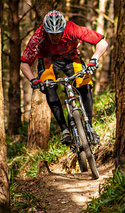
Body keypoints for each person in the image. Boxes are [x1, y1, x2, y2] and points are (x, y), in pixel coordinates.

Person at [20, 10, 108, 145]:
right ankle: (65, 130)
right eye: (51, 34)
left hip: (71, 57)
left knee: (85, 85)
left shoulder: (72, 28)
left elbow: (102, 42)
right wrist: (33, 79)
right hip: (48, 60)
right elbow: (24, 63)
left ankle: (89, 126)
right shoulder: (39, 36)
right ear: (45, 31)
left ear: (63, 28)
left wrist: (94, 59)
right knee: (49, 87)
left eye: (58, 33)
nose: (55, 37)